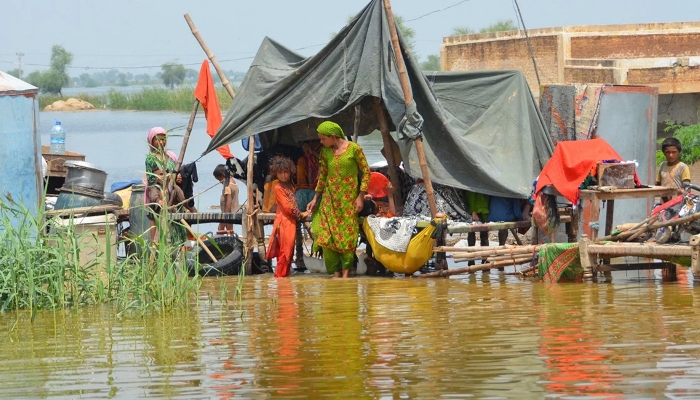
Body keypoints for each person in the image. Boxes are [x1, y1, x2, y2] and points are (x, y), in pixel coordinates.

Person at [307, 121, 371, 278]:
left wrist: (360, 196)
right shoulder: (326, 153)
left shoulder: (354, 150)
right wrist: (316, 198)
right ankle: (335, 273)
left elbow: (366, 173)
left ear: (333, 136)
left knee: (347, 237)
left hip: (349, 201)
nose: (321, 142)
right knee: (327, 237)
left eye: (323, 139)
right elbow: (322, 177)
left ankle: (346, 274)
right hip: (329, 201)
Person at [266, 156, 310, 278]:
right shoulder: (278, 187)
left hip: (290, 222)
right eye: (280, 173)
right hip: (284, 222)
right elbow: (288, 207)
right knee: (285, 252)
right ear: (276, 174)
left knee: (289, 252)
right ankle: (280, 278)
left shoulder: (290, 185)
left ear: (290, 171)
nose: (283, 175)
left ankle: (283, 282)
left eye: (286, 172)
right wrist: (301, 214)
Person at [145, 127, 184, 242]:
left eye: (163, 139)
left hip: (173, 194)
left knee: (177, 225)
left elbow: (175, 173)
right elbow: (151, 179)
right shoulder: (150, 159)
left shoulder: (170, 156)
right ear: (152, 141)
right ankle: (156, 248)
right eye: (158, 140)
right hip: (158, 193)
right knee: (158, 224)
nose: (161, 142)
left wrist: (177, 177)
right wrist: (159, 198)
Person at [656, 137, 691, 201]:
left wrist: (676, 192)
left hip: (678, 204)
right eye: (667, 152)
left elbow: (687, 189)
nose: (671, 155)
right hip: (664, 204)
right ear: (664, 153)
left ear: (679, 152)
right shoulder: (662, 165)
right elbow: (658, 184)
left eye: (674, 152)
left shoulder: (683, 167)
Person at [464, 191, 490, 266]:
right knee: (474, 233)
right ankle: (473, 261)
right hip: (479, 209)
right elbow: (470, 196)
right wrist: (473, 211)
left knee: (483, 235)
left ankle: (483, 261)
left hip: (482, 208)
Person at [213, 164, 240, 233]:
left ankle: (222, 242)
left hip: (227, 213)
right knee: (230, 229)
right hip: (233, 212)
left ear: (223, 175)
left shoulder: (227, 185)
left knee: (220, 229)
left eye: (219, 180)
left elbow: (229, 201)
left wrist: (226, 216)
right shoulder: (233, 182)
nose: (220, 182)